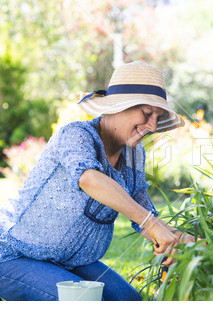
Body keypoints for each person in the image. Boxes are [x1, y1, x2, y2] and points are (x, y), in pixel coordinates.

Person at [0, 61, 194, 301]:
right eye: (146, 113)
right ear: (119, 106)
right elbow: (89, 178)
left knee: (131, 303)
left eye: (158, 116)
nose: (153, 125)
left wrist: (186, 242)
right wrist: (153, 226)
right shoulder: (76, 135)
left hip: (73, 261)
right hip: (16, 254)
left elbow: (143, 213)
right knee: (89, 306)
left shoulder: (134, 154)